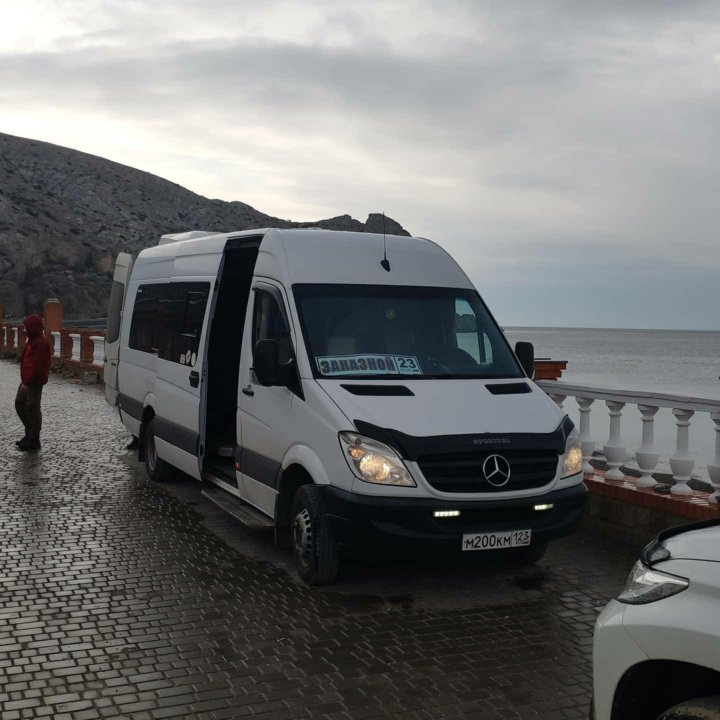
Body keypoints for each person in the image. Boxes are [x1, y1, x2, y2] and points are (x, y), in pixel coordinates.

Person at [15, 314, 52, 451]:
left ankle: (33, 439)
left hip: (34, 382)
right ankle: (29, 433)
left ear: (32, 327)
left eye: (26, 326)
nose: (24, 329)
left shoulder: (41, 342)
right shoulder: (32, 340)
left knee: (32, 408)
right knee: (20, 404)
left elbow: (38, 365)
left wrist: (29, 380)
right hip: (26, 380)